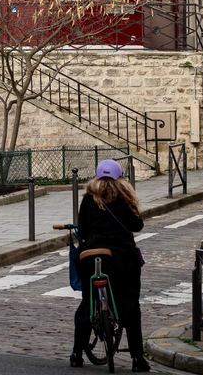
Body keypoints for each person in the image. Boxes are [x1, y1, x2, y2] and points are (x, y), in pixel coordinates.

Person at [70, 159, 151, 373]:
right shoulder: (125, 197)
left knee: (88, 304)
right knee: (131, 305)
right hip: (122, 257)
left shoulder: (89, 198)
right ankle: (137, 359)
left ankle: (77, 354)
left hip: (91, 256)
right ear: (120, 178)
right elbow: (137, 226)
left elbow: (83, 230)